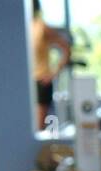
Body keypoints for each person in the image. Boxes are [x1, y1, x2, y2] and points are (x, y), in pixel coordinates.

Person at [31, 0, 71, 131]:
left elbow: (66, 48)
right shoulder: (18, 29)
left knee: (37, 128)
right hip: (26, 83)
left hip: (42, 80)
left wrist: (54, 73)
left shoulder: (41, 27)